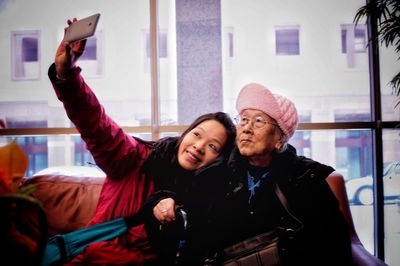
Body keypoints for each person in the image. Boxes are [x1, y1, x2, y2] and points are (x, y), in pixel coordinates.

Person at [48, 18, 236, 265]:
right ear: (186, 134)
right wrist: (66, 76)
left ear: (220, 159)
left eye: (212, 146)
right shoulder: (135, 158)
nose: (199, 146)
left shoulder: (204, 199)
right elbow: (95, 123)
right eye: (197, 134)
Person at [160, 83, 354, 265]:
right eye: (244, 120)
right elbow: (193, 240)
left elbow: (335, 245)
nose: (246, 129)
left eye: (258, 121)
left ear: (280, 138)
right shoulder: (214, 173)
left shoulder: (307, 178)